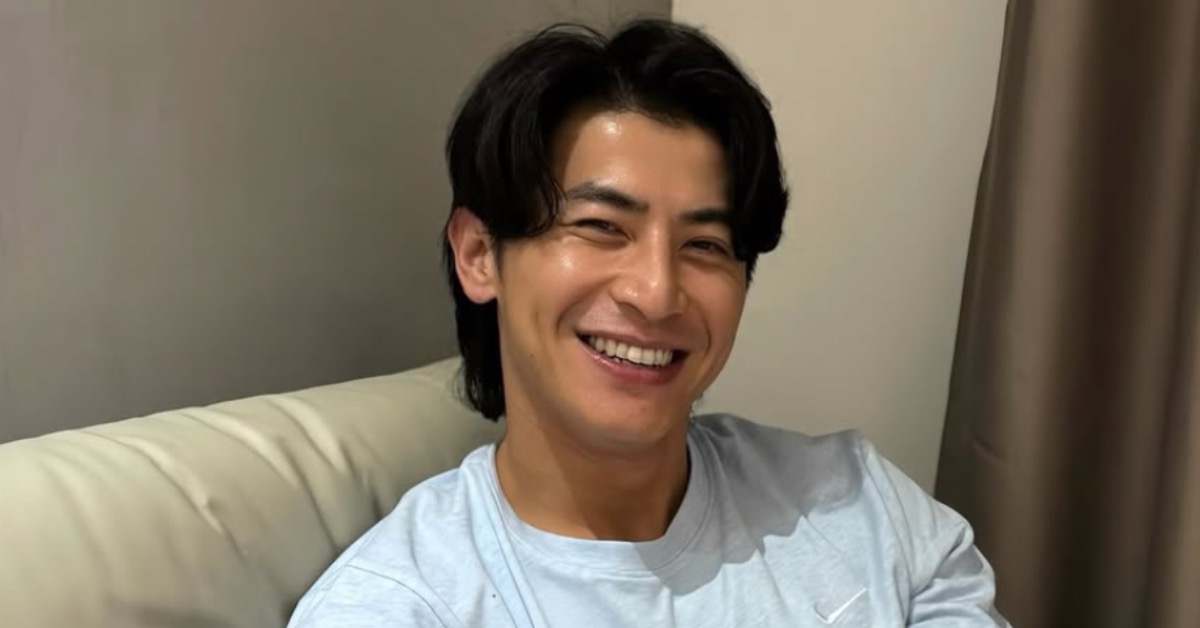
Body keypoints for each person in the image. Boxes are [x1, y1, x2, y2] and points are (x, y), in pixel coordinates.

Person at [288, 19, 1007, 627]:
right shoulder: (400, 606)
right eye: (602, 226)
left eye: (705, 245)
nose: (658, 293)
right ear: (479, 254)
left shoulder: (860, 506)